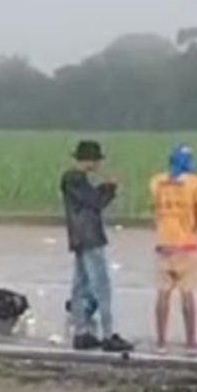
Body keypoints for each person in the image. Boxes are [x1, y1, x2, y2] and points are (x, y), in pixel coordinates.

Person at [60, 140, 133, 353]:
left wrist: (104, 188)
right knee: (101, 286)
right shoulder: (75, 179)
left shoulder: (75, 180)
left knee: (80, 285)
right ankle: (108, 334)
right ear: (90, 160)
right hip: (90, 237)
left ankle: (81, 332)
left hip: (79, 237)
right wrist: (110, 187)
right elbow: (95, 202)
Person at [150, 146, 197, 353]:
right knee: (187, 294)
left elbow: (155, 206)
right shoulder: (193, 183)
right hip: (186, 245)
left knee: (163, 294)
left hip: (163, 244)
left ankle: (161, 342)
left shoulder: (157, 182)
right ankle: (190, 342)